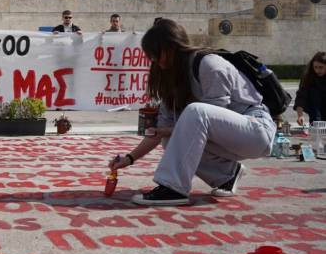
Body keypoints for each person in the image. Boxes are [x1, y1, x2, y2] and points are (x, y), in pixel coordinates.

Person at [108, 19, 274, 206]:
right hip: (225, 139)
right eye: (150, 56)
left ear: (172, 47)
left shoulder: (209, 65)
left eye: (156, 53)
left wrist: (170, 130)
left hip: (255, 131)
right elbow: (159, 132)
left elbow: (213, 115)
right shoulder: (171, 79)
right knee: (169, 138)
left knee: (194, 113)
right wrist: (129, 159)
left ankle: (173, 188)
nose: (154, 61)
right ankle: (227, 175)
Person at [294, 51, 326, 126]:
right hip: (314, 105)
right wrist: (300, 115)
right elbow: (301, 96)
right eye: (315, 67)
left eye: (321, 67)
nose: (318, 70)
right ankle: (315, 124)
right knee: (314, 92)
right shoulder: (308, 76)